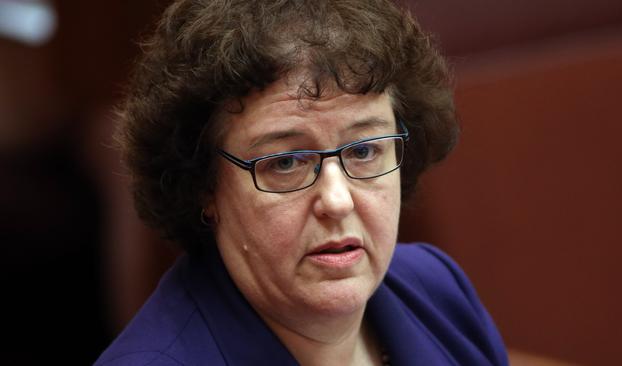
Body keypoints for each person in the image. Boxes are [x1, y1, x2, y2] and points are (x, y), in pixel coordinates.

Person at [95, 0, 508, 365]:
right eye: (286, 161)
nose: (337, 200)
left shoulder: (437, 290)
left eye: (364, 151)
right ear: (203, 184)